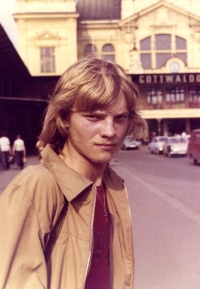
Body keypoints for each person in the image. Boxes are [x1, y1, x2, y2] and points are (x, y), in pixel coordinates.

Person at [0, 57, 147, 289]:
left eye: (119, 118)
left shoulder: (114, 187)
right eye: (94, 117)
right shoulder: (35, 187)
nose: (110, 131)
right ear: (64, 118)